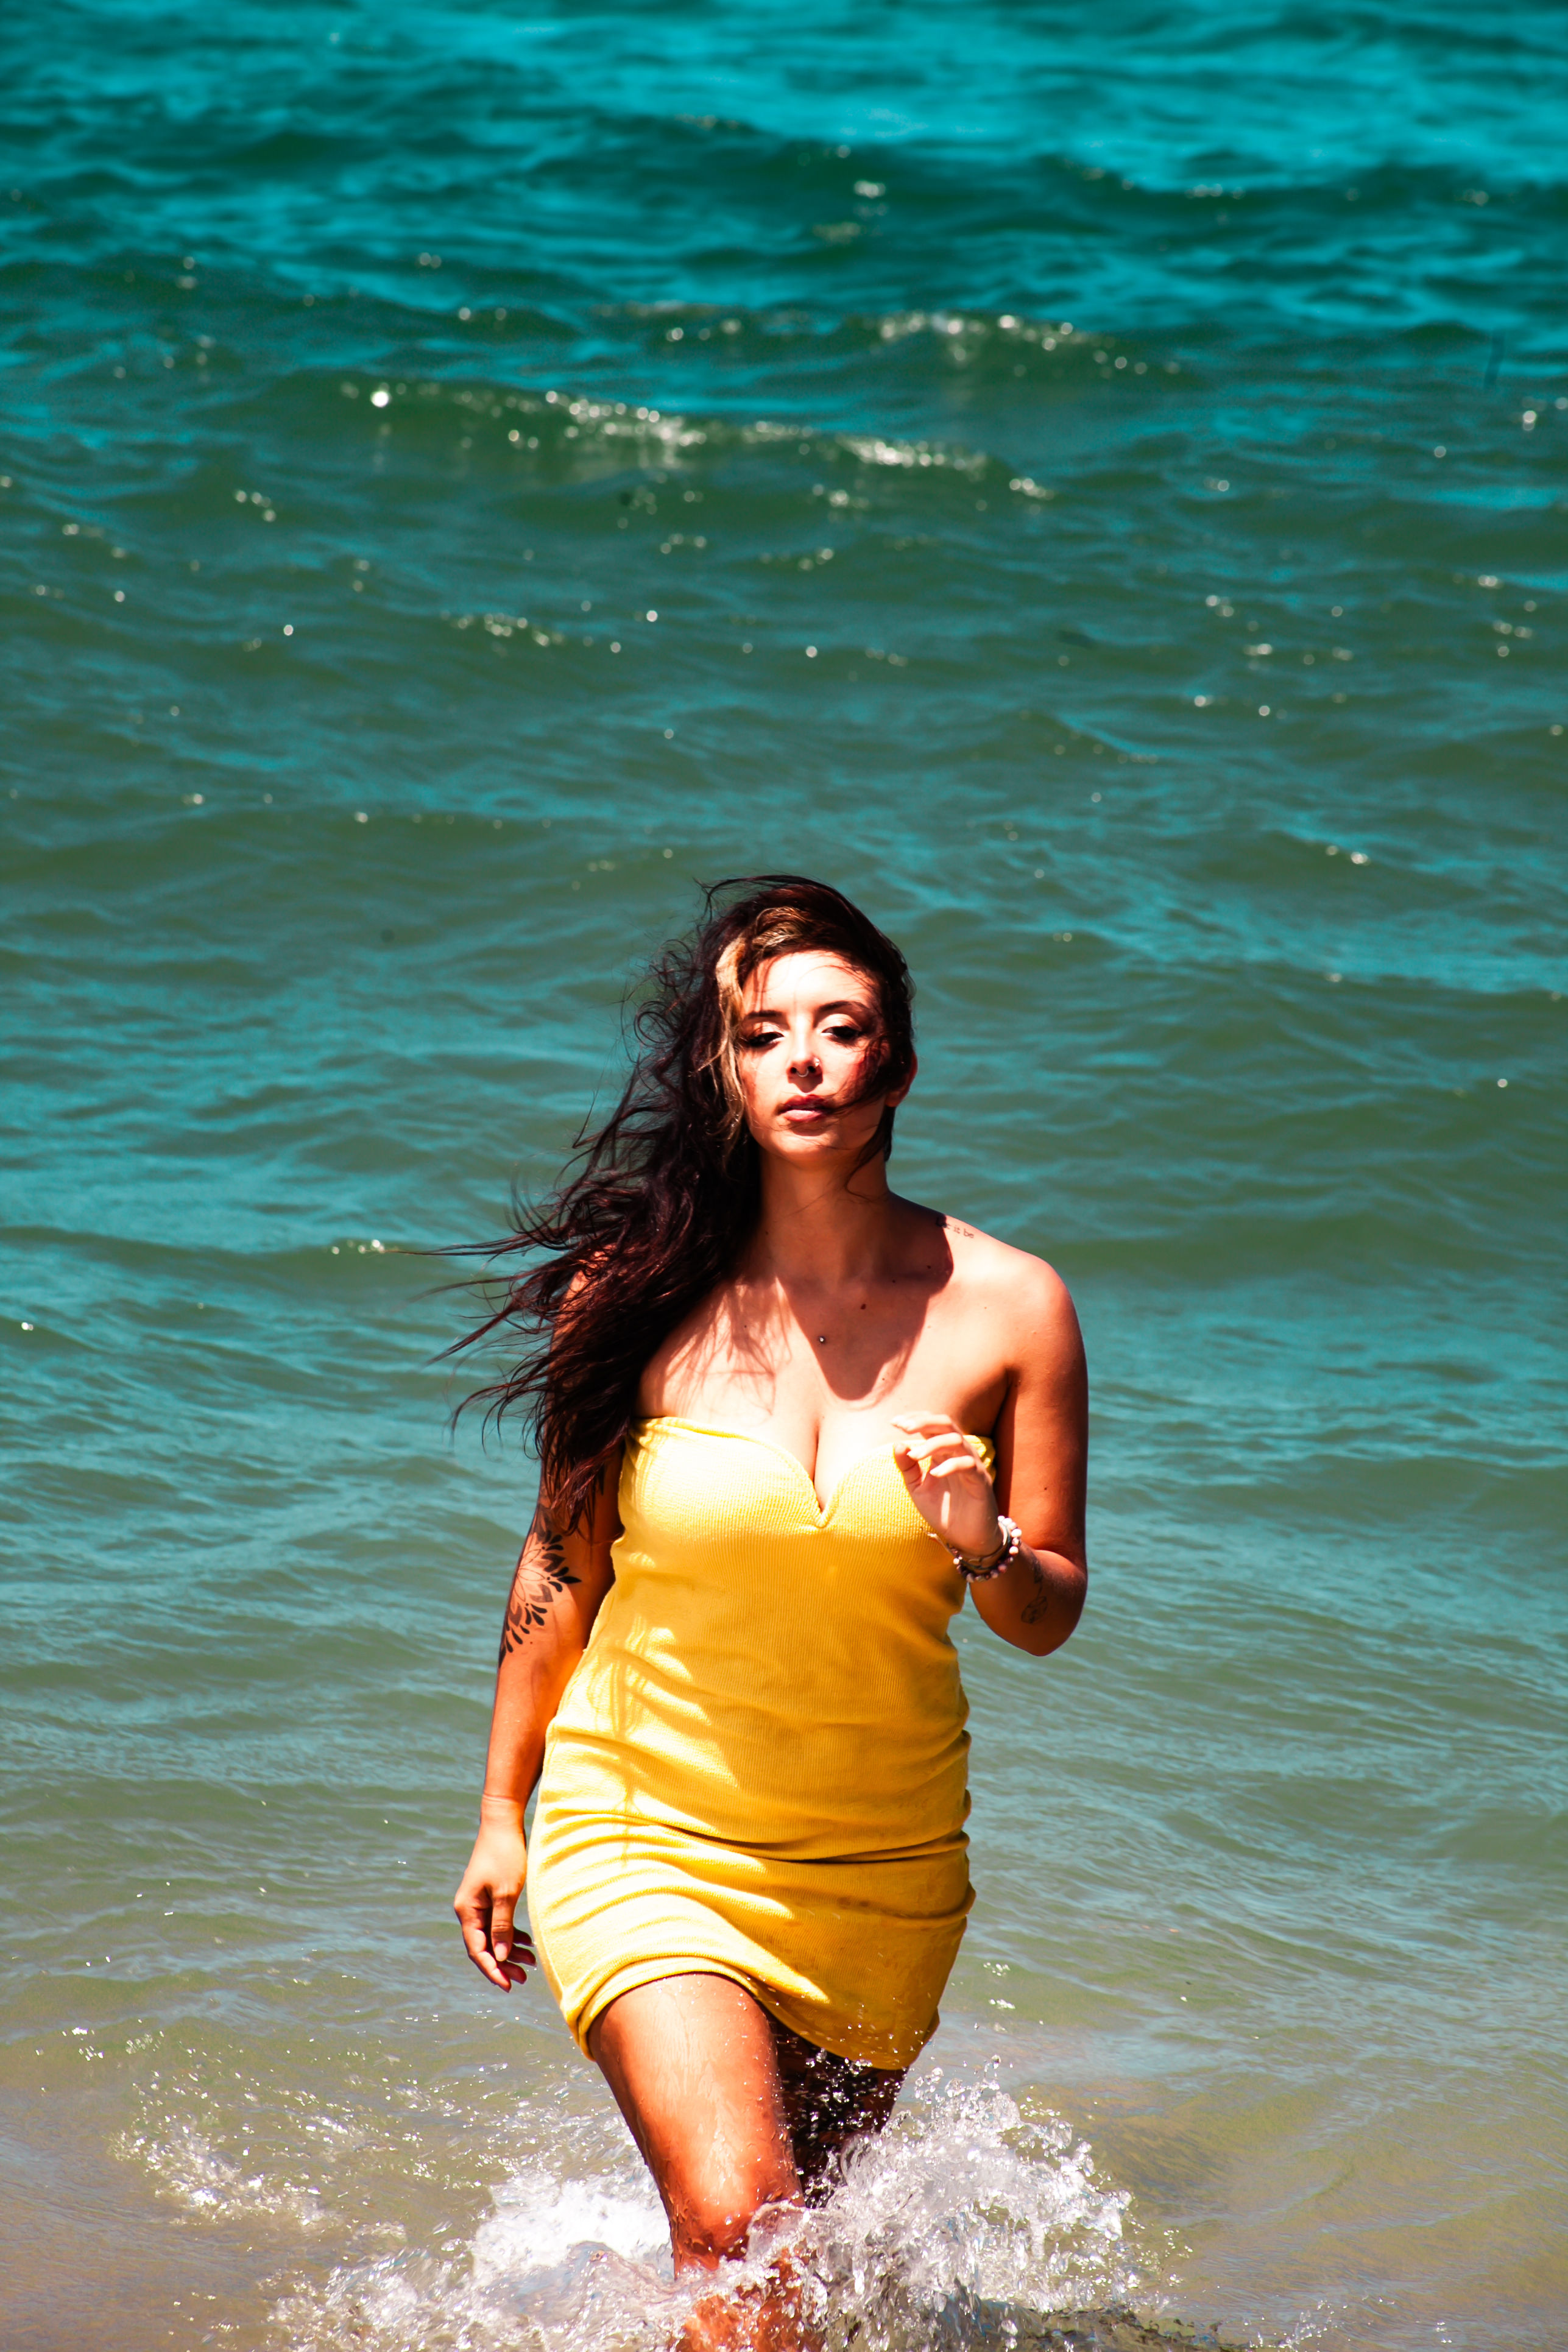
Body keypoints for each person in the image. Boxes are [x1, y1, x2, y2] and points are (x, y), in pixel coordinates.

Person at [451, 876, 1087, 2345]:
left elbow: (1047, 1608)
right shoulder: (634, 1289)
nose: (802, 1058)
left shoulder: (1012, 1306)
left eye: (840, 1027)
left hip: (883, 1864)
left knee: (797, 2272)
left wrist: (984, 1538)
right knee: (745, 2231)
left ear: (896, 1065)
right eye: (763, 1032)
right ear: (725, 1069)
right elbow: (559, 1563)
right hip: (646, 1822)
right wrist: (500, 1809)